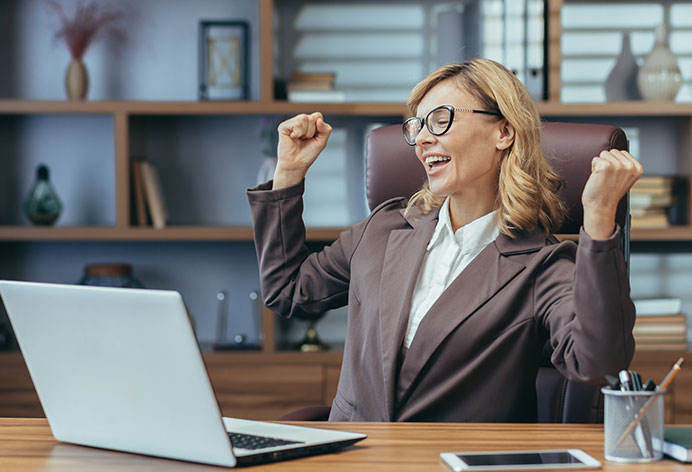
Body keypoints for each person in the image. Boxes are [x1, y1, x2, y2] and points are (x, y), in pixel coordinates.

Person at [247, 58, 641, 422]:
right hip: (354, 466)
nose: (421, 140)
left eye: (439, 120)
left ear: (503, 131)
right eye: (416, 126)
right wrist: (289, 174)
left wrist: (599, 219)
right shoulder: (383, 229)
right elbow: (287, 290)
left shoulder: (544, 264)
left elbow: (599, 363)